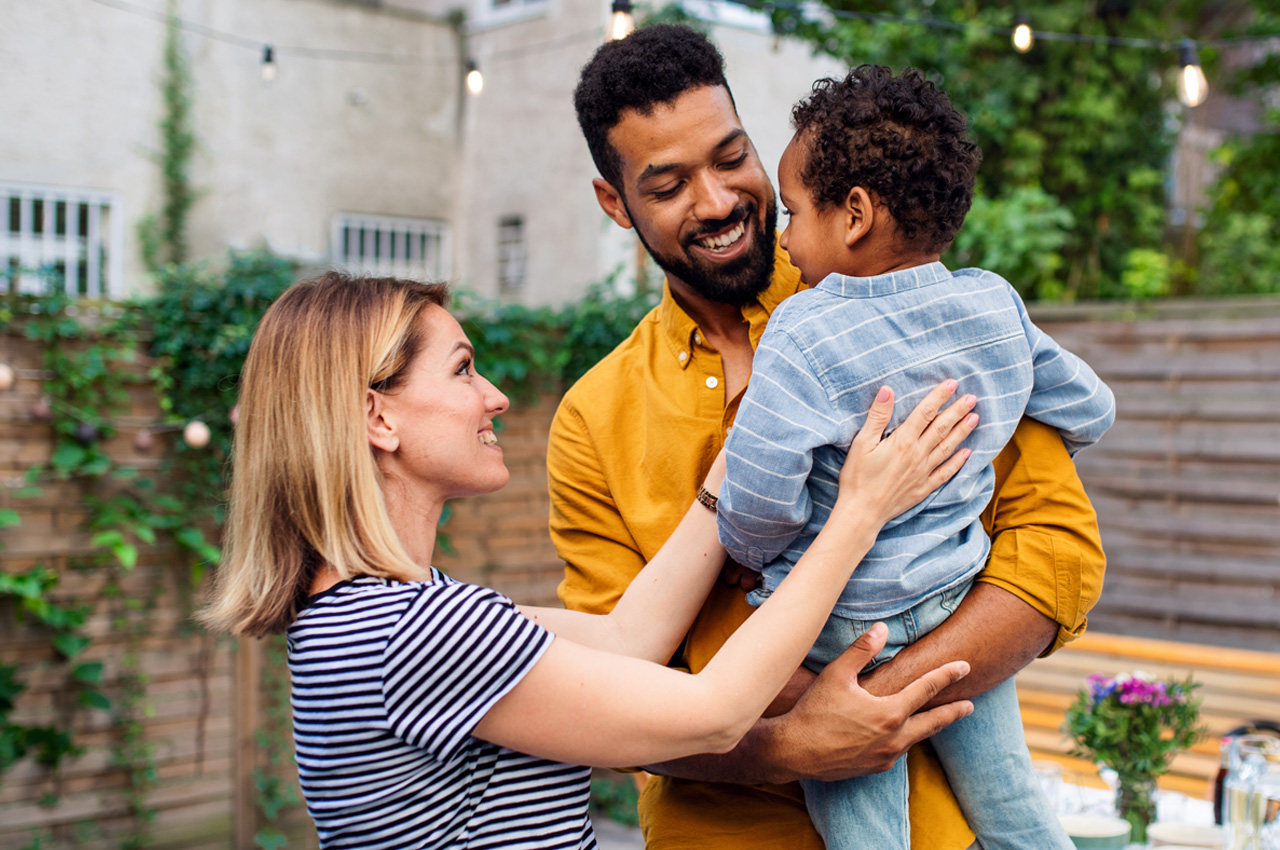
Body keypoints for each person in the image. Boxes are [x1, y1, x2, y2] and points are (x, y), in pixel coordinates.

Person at [553, 24, 1107, 850]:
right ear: (614, 202)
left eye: (730, 157)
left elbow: (1058, 551)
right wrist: (793, 742)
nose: (714, 201)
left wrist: (872, 700)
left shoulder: (917, 306)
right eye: (667, 185)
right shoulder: (592, 421)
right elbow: (613, 691)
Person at [197, 272, 979, 849]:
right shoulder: (413, 631)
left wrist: (737, 466)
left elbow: (623, 640)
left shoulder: (373, 614)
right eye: (464, 369)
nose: (496, 396)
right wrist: (861, 511)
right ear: (377, 418)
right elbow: (714, 714)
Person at [715, 66, 1116, 850]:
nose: (787, 238)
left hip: (844, 636)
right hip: (956, 603)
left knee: (865, 829)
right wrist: (991, 418)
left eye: (795, 213)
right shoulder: (993, 304)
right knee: (1014, 808)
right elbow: (1091, 409)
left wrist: (748, 555)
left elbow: (758, 505)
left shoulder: (802, 330)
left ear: (855, 215)